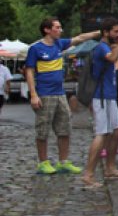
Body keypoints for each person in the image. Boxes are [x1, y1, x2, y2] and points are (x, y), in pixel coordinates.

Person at [25, 17, 99, 175]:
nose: (60, 30)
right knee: (42, 130)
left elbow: (80, 38)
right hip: (44, 94)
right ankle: (43, 163)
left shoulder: (59, 44)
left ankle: (63, 162)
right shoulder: (36, 49)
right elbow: (29, 71)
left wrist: (100, 31)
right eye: (57, 27)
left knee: (65, 128)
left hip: (60, 94)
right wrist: (33, 94)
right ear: (47, 29)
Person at [82, 18, 118, 188]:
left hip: (109, 96)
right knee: (101, 134)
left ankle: (110, 168)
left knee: (117, 131)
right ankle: (88, 174)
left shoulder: (107, 46)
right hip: (100, 96)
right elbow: (112, 58)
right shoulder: (101, 47)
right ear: (105, 32)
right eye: (115, 32)